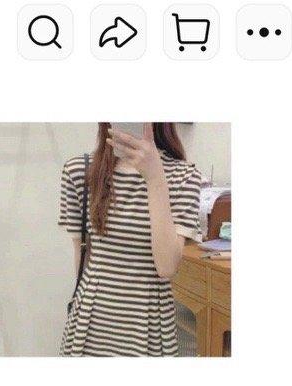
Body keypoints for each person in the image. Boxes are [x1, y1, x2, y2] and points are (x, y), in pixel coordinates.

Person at [60, 124, 206, 358]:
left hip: (150, 325)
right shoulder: (79, 172)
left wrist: (155, 178)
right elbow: (82, 258)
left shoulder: (184, 177)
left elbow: (166, 267)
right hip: (91, 322)